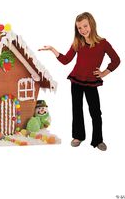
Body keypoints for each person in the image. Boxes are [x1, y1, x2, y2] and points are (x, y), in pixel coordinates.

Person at [38, 12, 120, 151]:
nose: (83, 30)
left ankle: (98, 139)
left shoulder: (103, 43)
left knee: (95, 111)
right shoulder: (78, 42)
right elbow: (66, 60)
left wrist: (103, 73)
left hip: (91, 82)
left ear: (91, 24)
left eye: (85, 26)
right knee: (77, 109)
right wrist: (53, 50)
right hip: (76, 80)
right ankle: (78, 136)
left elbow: (116, 60)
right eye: (79, 28)